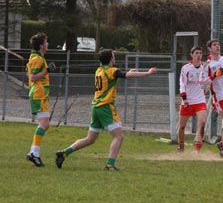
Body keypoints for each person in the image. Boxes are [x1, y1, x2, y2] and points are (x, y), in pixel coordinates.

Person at [55, 49, 158, 171]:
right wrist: (147, 73)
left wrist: (128, 73)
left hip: (96, 107)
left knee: (90, 139)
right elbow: (125, 75)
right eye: (114, 56)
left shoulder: (99, 70)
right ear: (110, 59)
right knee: (119, 136)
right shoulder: (111, 71)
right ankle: (110, 165)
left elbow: (122, 75)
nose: (115, 58)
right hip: (105, 107)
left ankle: (64, 153)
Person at [26, 32, 55, 167]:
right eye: (46, 42)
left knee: (45, 124)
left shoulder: (37, 57)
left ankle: (33, 152)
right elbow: (33, 77)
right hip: (39, 94)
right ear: (41, 45)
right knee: (44, 124)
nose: (48, 44)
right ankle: (34, 154)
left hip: (41, 94)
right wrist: (47, 70)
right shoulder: (37, 59)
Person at [178, 46, 210, 153]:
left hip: (200, 100)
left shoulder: (204, 68)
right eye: (196, 53)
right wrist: (185, 99)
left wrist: (207, 86)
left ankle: (197, 150)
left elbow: (207, 82)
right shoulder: (186, 68)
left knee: (202, 122)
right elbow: (182, 84)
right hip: (188, 101)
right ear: (191, 55)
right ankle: (181, 148)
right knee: (182, 127)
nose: (198, 55)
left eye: (200, 53)